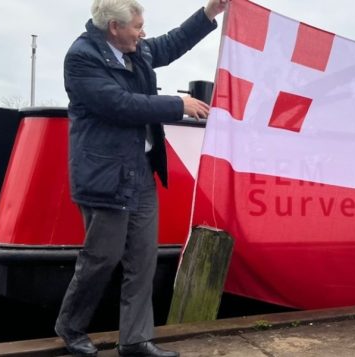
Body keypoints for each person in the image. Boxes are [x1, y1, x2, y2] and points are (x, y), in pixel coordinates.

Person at [54, 0, 229, 356]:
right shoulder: (82, 58)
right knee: (101, 257)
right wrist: (177, 104)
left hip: (140, 171)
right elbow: (119, 104)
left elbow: (171, 42)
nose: (143, 32)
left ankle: (135, 339)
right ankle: (70, 326)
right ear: (114, 28)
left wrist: (210, 12)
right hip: (106, 176)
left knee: (143, 258)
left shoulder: (135, 49)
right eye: (136, 26)